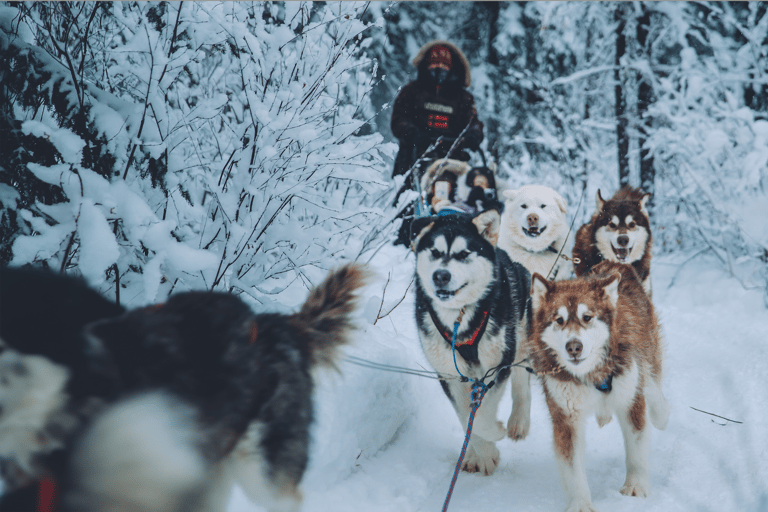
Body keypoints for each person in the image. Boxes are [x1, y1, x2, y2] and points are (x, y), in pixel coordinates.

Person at [391, 41, 484, 180]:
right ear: (426, 65)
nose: (439, 68)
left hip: (453, 156)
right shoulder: (411, 91)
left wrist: (473, 135)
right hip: (414, 155)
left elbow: (473, 123)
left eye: (444, 65)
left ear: (451, 69)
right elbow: (399, 119)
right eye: (435, 64)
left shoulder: (463, 98)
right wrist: (411, 133)